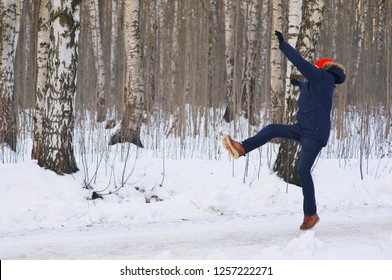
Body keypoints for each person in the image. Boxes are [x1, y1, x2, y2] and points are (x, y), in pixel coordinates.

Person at [222, 30, 346, 230]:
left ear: (322, 68)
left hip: (314, 134)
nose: (312, 70)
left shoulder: (323, 77)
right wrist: (300, 85)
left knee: (302, 170)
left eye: (315, 68)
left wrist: (283, 45)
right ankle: (242, 148)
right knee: (272, 129)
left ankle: (311, 214)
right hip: (303, 129)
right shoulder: (320, 82)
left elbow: (302, 64)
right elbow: (311, 91)